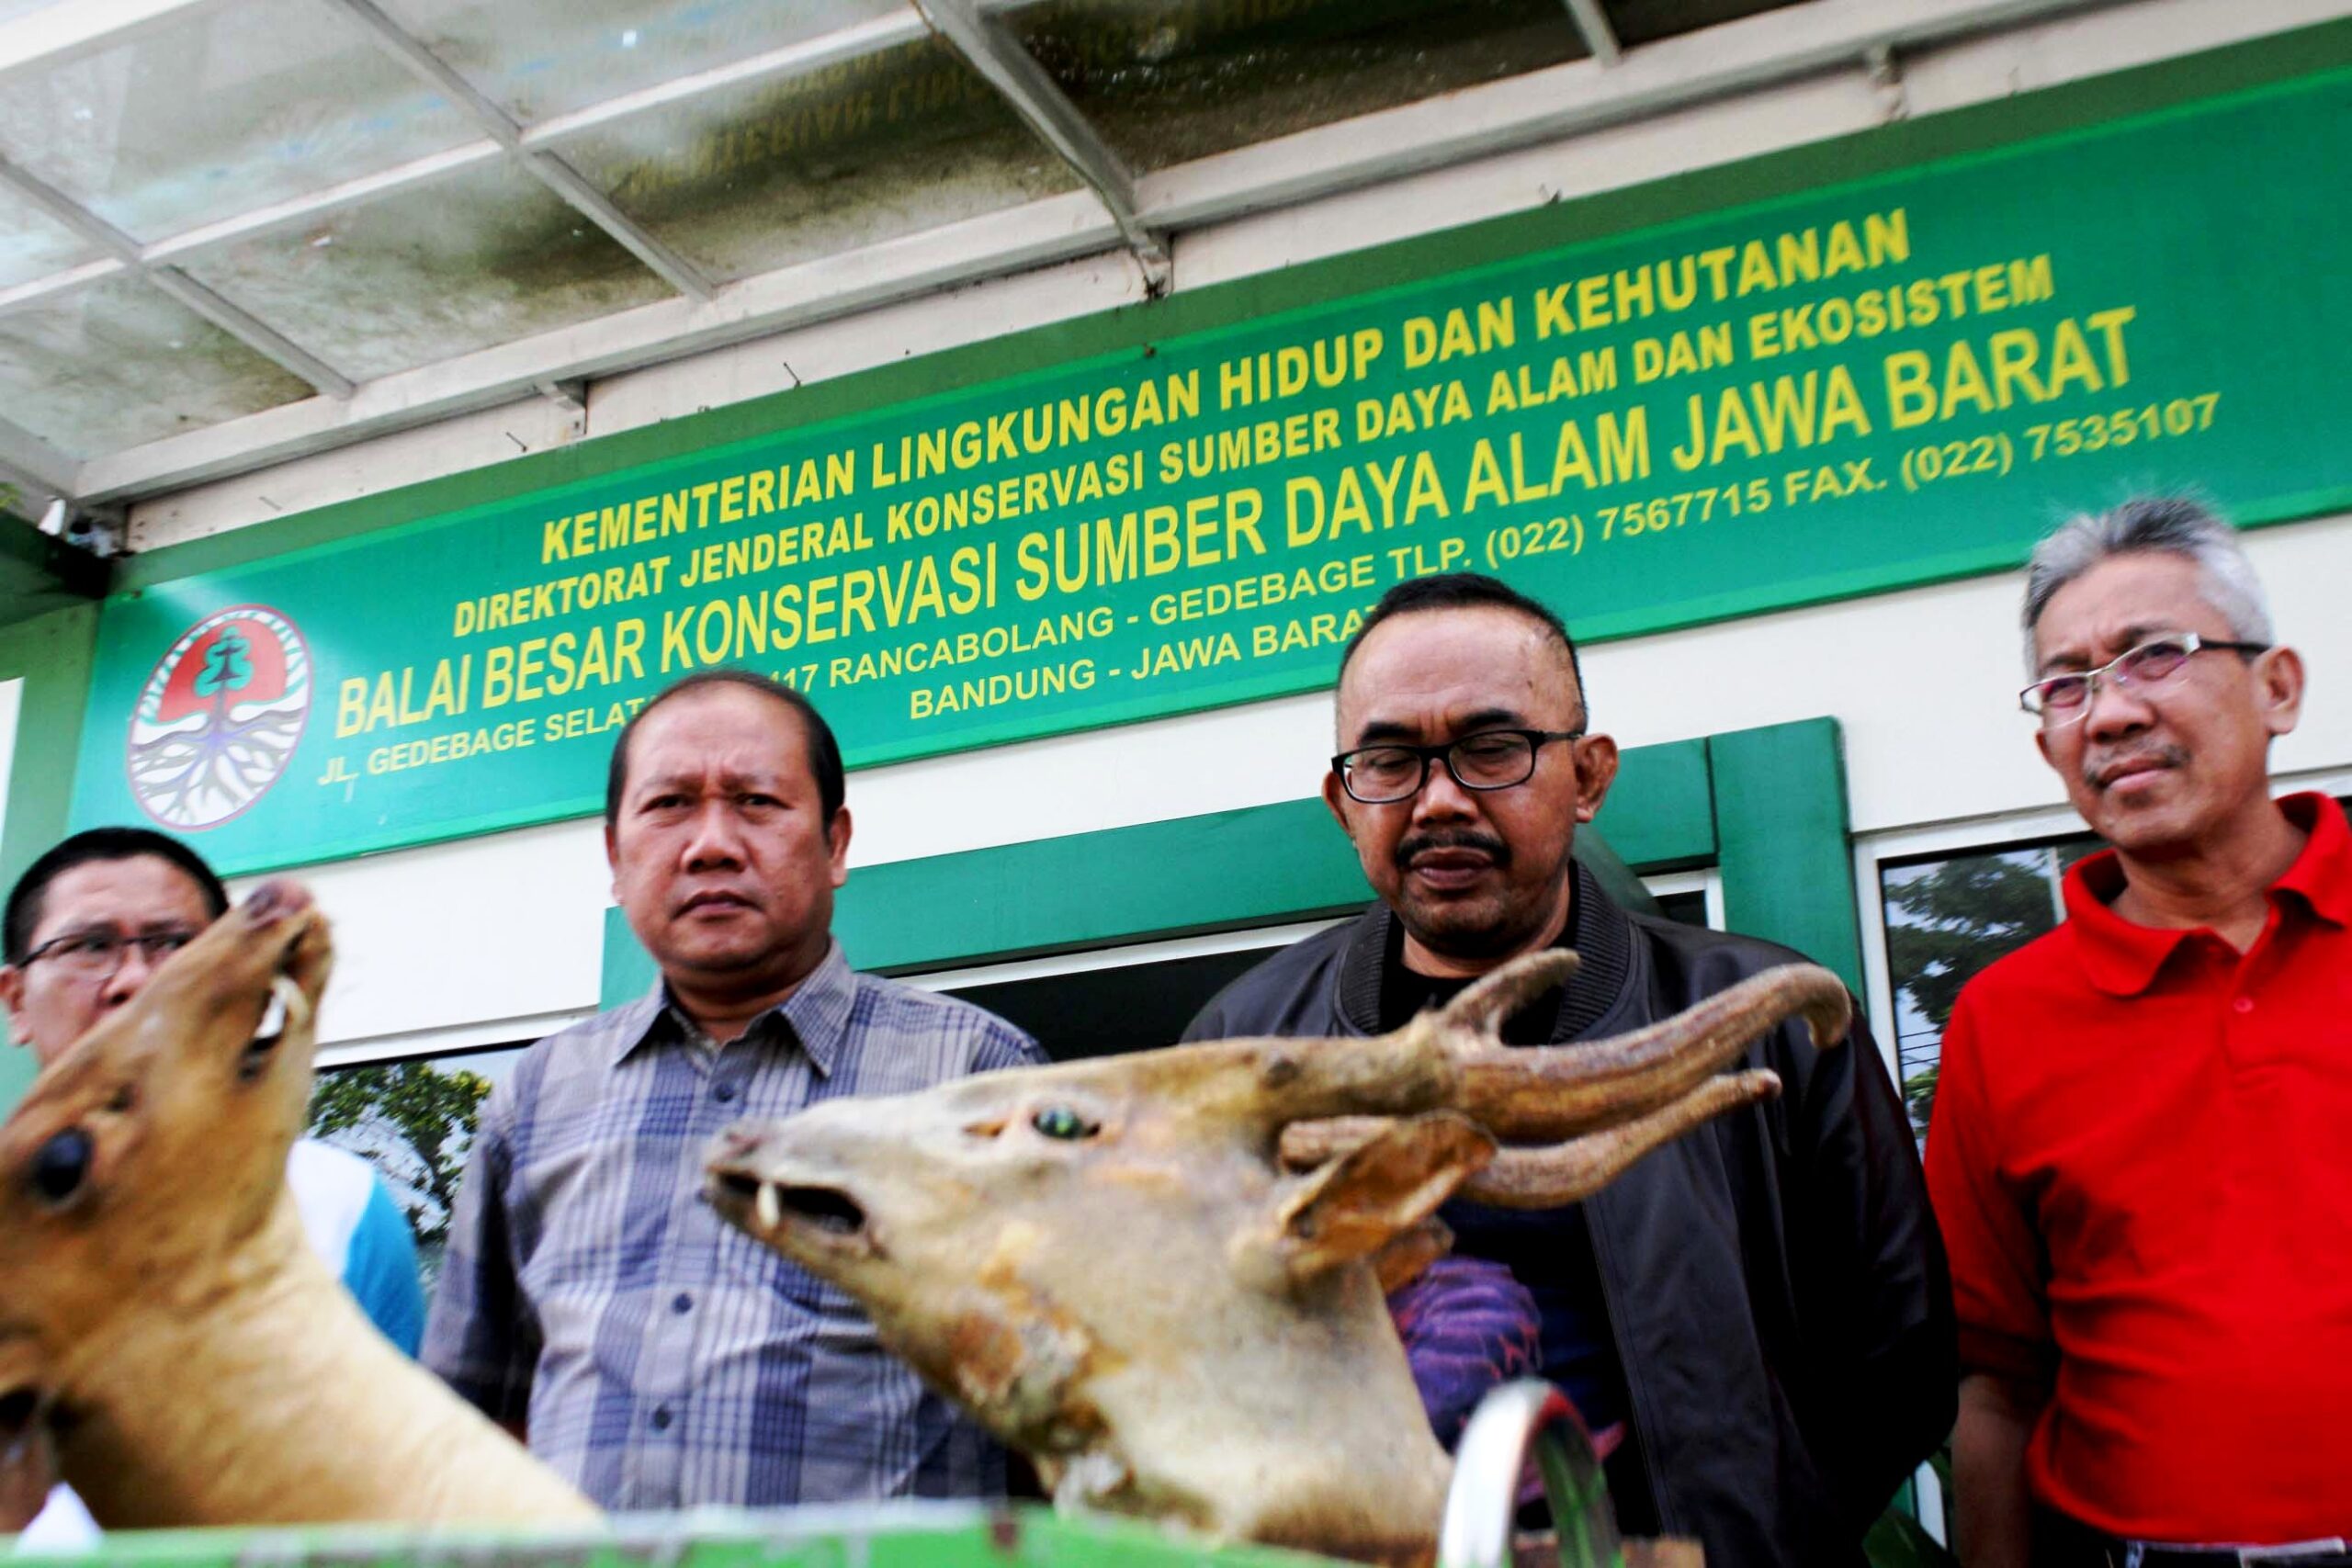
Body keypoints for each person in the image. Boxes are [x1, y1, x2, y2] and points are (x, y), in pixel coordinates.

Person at [1183, 572, 1953, 1564]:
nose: (1439, 801)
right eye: (1390, 761)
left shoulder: (1762, 1018)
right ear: (1342, 800)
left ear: (1588, 776)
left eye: (1492, 749)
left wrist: (1765, 1538)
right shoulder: (1241, 1049)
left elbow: (1901, 1364)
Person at [424, 671, 1045, 1509]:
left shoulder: (977, 1076)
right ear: (615, 855)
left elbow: (1070, 1416)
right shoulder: (537, 1097)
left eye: (756, 801)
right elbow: (469, 1421)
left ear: (834, 844)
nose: (710, 842)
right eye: (670, 804)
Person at [1927, 498, 2351, 1567]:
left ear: (2278, 687)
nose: (2107, 714)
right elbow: (1993, 1381)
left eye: (2153, 655)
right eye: (2066, 684)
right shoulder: (2004, 1019)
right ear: (2047, 746)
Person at [0, 827, 424, 1545]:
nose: (134, 979)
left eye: (174, 945)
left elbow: (394, 1499)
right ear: (14, 1000)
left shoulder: (345, 1205)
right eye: (89, 946)